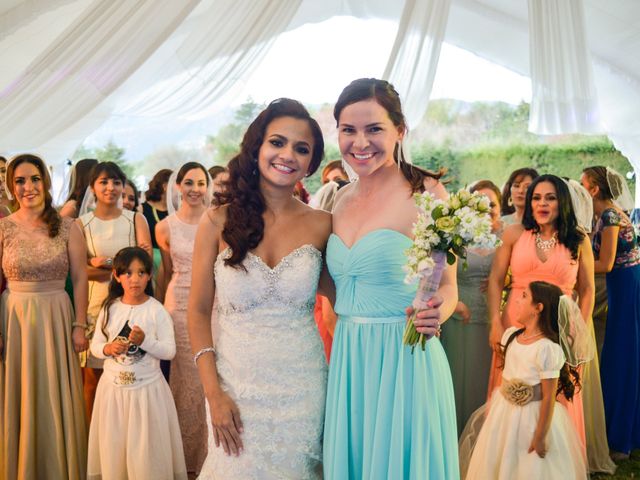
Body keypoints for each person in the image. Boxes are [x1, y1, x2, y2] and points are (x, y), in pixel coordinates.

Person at [323, 78, 459, 479]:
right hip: (350, 358)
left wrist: (439, 313)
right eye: (349, 130)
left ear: (400, 131)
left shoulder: (428, 195)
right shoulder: (340, 198)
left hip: (405, 357)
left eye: (374, 129)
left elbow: (445, 286)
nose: (360, 142)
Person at [188, 98, 331, 478]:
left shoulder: (323, 225)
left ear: (311, 162)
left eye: (302, 149)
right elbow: (199, 312)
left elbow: (349, 299)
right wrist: (213, 393)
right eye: (278, 142)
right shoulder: (217, 221)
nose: (288, 155)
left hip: (304, 390)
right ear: (257, 148)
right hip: (234, 388)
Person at [487, 174, 595, 455]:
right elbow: (496, 281)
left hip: (561, 325)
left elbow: (587, 290)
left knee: (556, 390)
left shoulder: (578, 239)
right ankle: (508, 458)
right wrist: (496, 323)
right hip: (517, 321)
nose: (542, 203)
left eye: (550, 197)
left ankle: (553, 456)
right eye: (537, 197)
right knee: (513, 390)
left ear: (562, 202)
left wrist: (577, 336)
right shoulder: (513, 234)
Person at [0, 154, 89, 480]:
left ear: (46, 182)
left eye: (34, 179)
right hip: (15, 319)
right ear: (11, 187)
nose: (28, 187)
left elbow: (80, 278)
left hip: (56, 316)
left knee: (55, 396)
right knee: (18, 395)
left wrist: (80, 325)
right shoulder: (4, 228)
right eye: (20, 181)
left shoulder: (68, 226)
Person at [461, 281, 588, 479]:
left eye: (524, 296)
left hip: (532, 418)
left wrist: (540, 436)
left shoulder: (547, 349)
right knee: (499, 456)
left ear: (538, 308)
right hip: (504, 413)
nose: (517, 301)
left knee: (528, 464)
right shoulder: (511, 336)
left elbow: (548, 397)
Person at [87, 247, 186, 480]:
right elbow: (95, 346)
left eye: (141, 273)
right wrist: (108, 348)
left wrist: (146, 341)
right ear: (117, 276)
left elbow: (170, 351)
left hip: (147, 393)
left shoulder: (157, 311)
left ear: (149, 276)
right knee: (115, 449)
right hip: (113, 393)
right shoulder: (109, 308)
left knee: (145, 452)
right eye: (128, 273)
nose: (135, 279)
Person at [77, 161, 152, 418]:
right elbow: (79, 271)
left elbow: (145, 263)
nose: (110, 187)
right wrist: (124, 269)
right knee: (92, 380)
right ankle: (91, 444)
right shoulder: (82, 224)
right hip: (94, 306)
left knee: (130, 375)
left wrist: (106, 263)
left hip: (131, 303)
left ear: (123, 186)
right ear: (93, 187)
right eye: (104, 182)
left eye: (116, 182)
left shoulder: (135, 219)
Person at [156, 162, 211, 475]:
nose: (194, 189)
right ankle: (185, 459)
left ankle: (211, 454)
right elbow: (165, 270)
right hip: (177, 307)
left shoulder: (217, 221)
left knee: (210, 376)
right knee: (183, 380)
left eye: (200, 182)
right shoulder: (165, 227)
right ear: (178, 186)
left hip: (211, 305)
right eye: (188, 182)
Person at [582, 166, 640, 460]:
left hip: (625, 286)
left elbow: (604, 264)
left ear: (594, 189)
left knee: (621, 355)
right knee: (619, 354)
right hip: (621, 284)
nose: (580, 189)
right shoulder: (604, 215)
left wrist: (571, 265)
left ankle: (622, 436)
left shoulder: (610, 216)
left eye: (583, 184)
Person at [441, 180, 503, 433]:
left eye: (492, 204)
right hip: (460, 318)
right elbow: (437, 277)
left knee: (485, 380)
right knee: (459, 379)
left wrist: (505, 278)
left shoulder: (507, 236)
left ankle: (485, 437)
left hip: (494, 319)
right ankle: (455, 433)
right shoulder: (455, 236)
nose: (486, 209)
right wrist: (455, 304)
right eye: (479, 204)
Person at [142, 168, 172, 293]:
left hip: (172, 260)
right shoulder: (143, 209)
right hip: (151, 259)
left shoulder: (175, 211)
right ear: (165, 186)